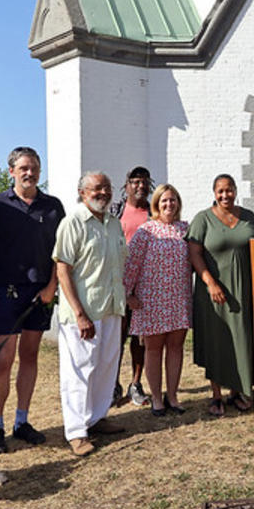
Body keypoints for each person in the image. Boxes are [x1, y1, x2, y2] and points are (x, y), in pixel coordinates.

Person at [0, 146, 66, 454]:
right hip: (7, 294)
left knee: (30, 357)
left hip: (41, 293)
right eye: (24, 168)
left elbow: (61, 252)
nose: (29, 173)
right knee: (4, 360)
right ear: (11, 172)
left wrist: (52, 286)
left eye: (34, 168)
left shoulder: (53, 206)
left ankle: (22, 421)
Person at [52, 171, 128, 456]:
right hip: (83, 313)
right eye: (96, 189)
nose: (103, 193)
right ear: (82, 192)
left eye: (106, 188)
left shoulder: (112, 224)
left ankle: (96, 418)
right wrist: (80, 313)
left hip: (110, 307)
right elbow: (63, 269)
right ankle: (76, 431)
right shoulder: (72, 223)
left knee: (106, 365)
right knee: (79, 372)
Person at [187, 174, 254, 417]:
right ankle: (216, 395)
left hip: (244, 291)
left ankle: (238, 391)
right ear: (214, 193)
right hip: (214, 292)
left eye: (229, 190)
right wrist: (210, 283)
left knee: (241, 339)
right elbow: (194, 255)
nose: (225, 195)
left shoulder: (248, 217)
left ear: (235, 191)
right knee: (217, 340)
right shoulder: (203, 220)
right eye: (220, 191)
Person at [123, 184, 192, 416]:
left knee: (176, 348)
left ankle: (172, 396)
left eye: (172, 200)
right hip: (151, 299)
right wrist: (128, 293)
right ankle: (156, 399)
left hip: (178, 298)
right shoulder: (146, 231)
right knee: (153, 349)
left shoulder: (185, 229)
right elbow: (132, 263)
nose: (168, 204)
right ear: (156, 204)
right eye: (164, 201)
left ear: (178, 203)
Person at [110, 166, 154, 407]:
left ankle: (135, 383)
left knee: (140, 339)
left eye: (144, 182)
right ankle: (112, 385)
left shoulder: (153, 211)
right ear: (126, 186)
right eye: (135, 181)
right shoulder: (116, 211)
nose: (140, 186)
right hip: (119, 284)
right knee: (117, 335)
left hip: (146, 284)